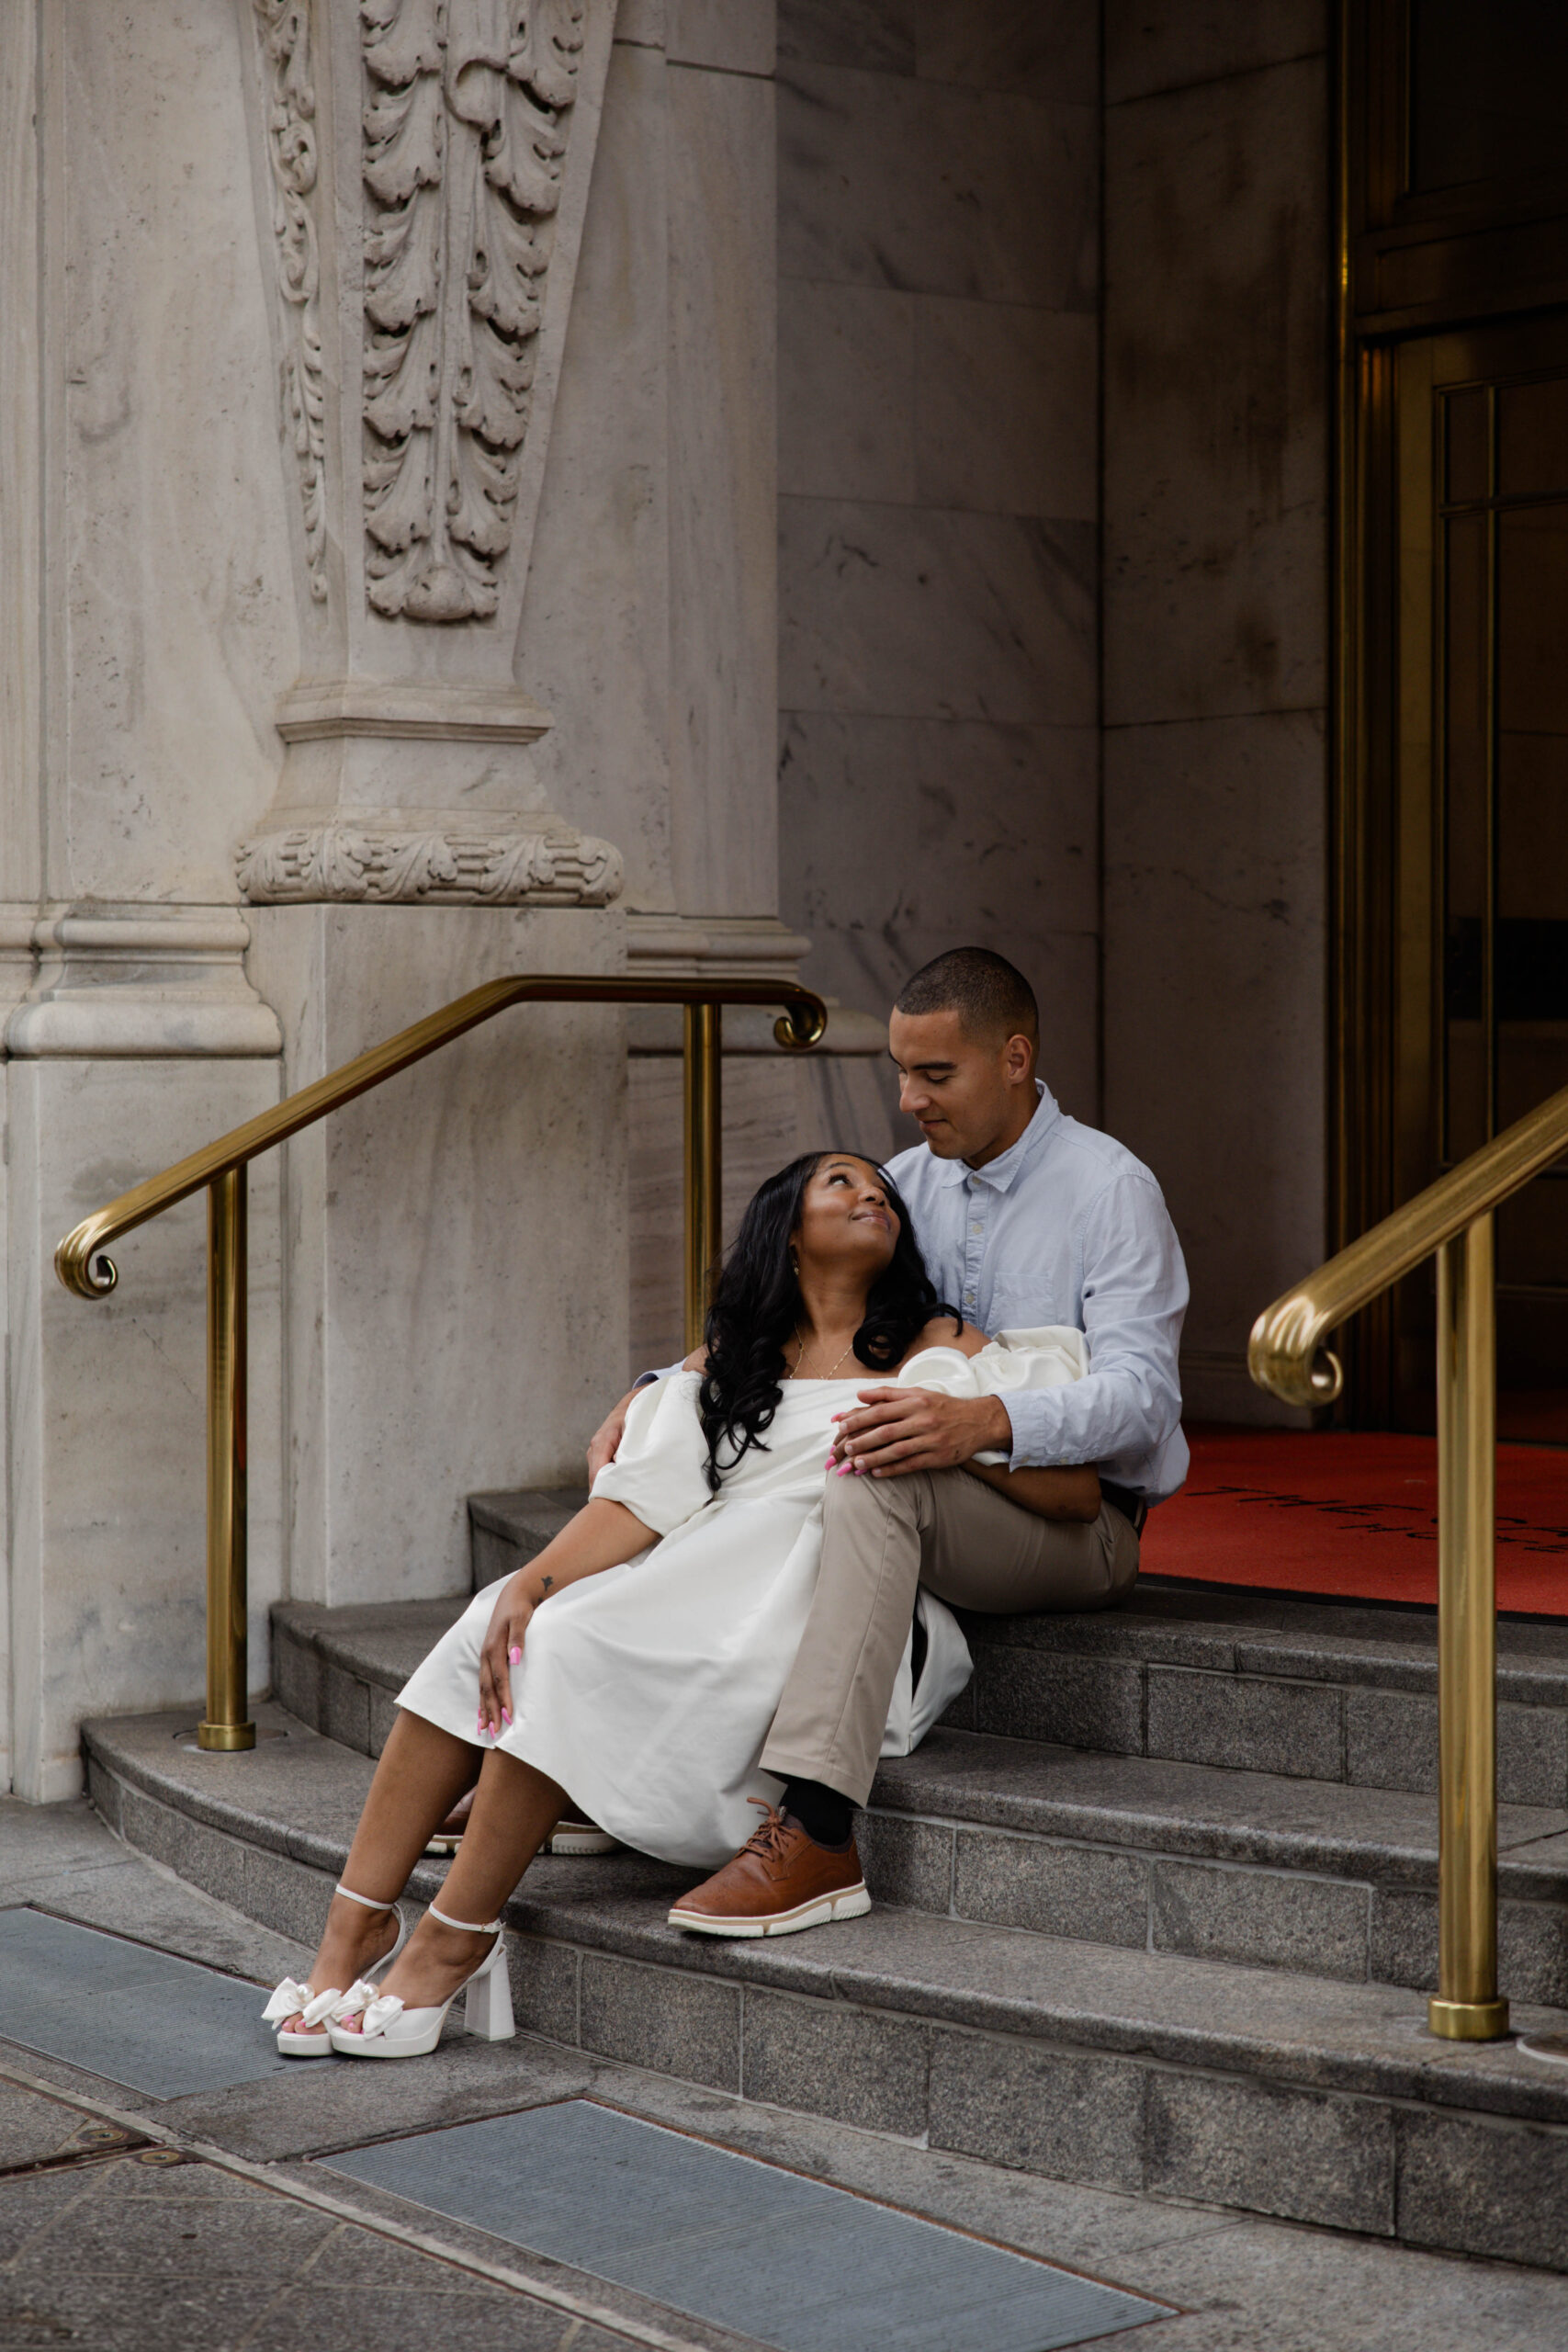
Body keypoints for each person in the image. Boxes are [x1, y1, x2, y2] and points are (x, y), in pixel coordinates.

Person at [262, 1149, 1099, 2060]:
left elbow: (1059, 1473)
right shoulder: (731, 1367)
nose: (872, 1197)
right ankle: (353, 1931)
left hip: (813, 1595)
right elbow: (638, 1503)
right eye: (842, 1184)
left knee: (571, 1649)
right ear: (788, 1230)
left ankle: (451, 1939)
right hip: (699, 1573)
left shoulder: (942, 1350)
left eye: (883, 1191)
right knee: (497, 1624)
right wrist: (531, 1582)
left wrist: (958, 1433)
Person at [596, 946, 1189, 1936]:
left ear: (1014, 1057)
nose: (910, 1099)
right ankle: (594, 1762)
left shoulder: (1109, 1190)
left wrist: (985, 1421)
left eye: (936, 1074)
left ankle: (820, 1829)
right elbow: (788, 1313)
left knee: (865, 1475)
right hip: (932, 1489)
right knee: (727, 1468)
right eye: (901, 1074)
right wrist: (659, 1386)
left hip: (1074, 1520)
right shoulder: (906, 1182)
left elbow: (1145, 1403)